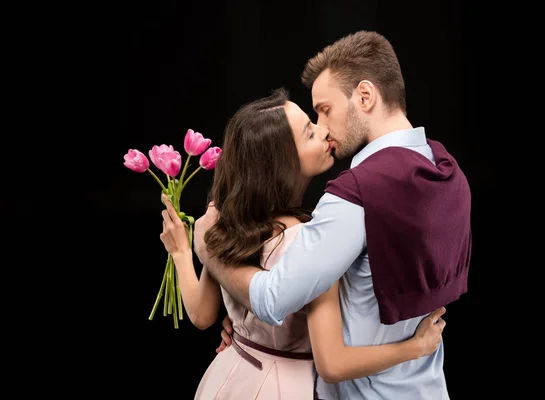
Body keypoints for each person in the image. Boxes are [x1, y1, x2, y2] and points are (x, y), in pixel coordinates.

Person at [193, 31, 472, 400]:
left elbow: (273, 297)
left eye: (325, 109)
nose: (323, 125)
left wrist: (209, 252)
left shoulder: (354, 197)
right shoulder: (446, 170)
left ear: (365, 96)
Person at [159, 87, 447, 400]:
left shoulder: (226, 221)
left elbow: (202, 315)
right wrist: (414, 348)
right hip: (286, 389)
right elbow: (333, 364)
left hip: (231, 377)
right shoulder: (312, 244)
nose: (325, 131)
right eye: (310, 133)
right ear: (281, 165)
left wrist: (181, 252)